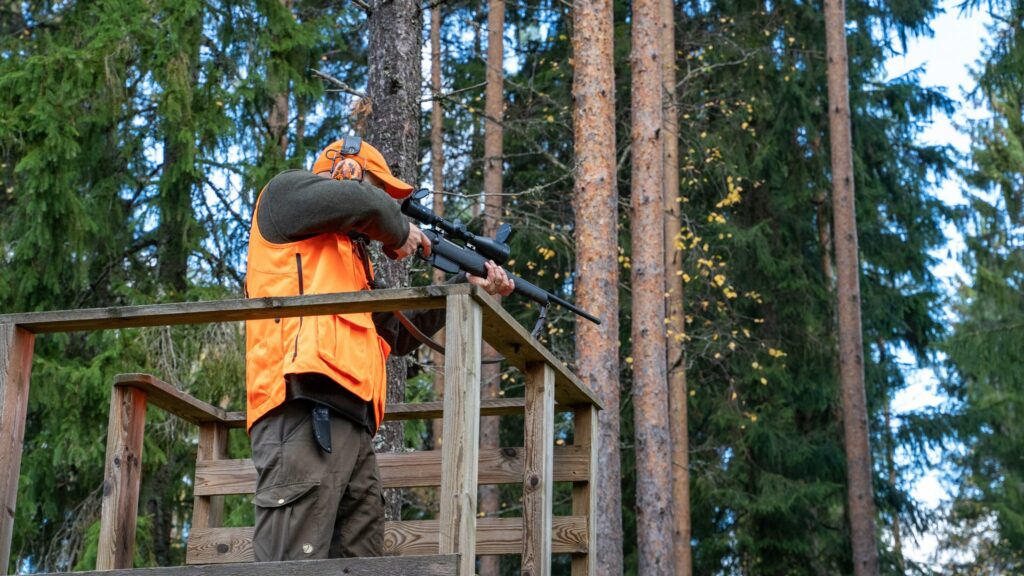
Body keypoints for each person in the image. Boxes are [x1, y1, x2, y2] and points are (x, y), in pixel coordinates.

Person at [244, 136, 514, 561]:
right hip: (299, 408)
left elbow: (400, 330)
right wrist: (399, 227)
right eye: (380, 188)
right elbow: (367, 205)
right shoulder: (283, 197)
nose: (390, 202)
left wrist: (468, 285)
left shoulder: (353, 264)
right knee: (289, 565)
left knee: (361, 560)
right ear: (346, 171)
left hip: (352, 425)